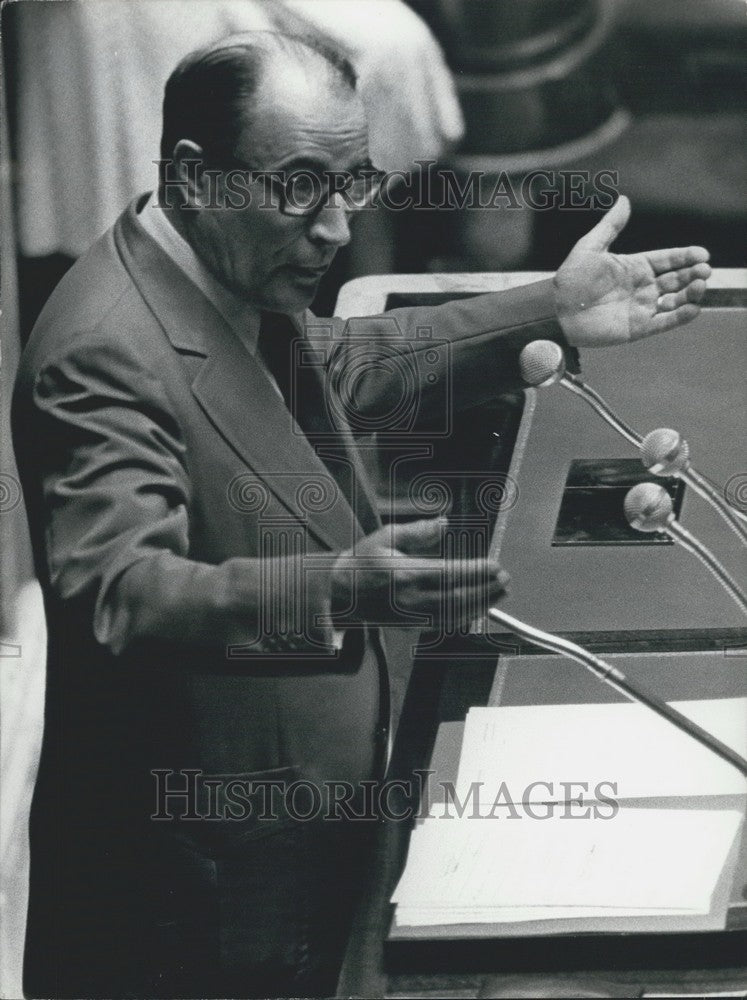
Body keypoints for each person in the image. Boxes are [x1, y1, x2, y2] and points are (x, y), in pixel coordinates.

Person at [12, 31, 711, 1000]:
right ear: (193, 174)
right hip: (199, 894)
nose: (337, 227)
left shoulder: (216, 270)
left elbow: (335, 369)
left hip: (300, 826)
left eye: (354, 182)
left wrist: (552, 307)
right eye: (302, 183)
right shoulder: (103, 350)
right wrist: (335, 587)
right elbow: (120, 591)